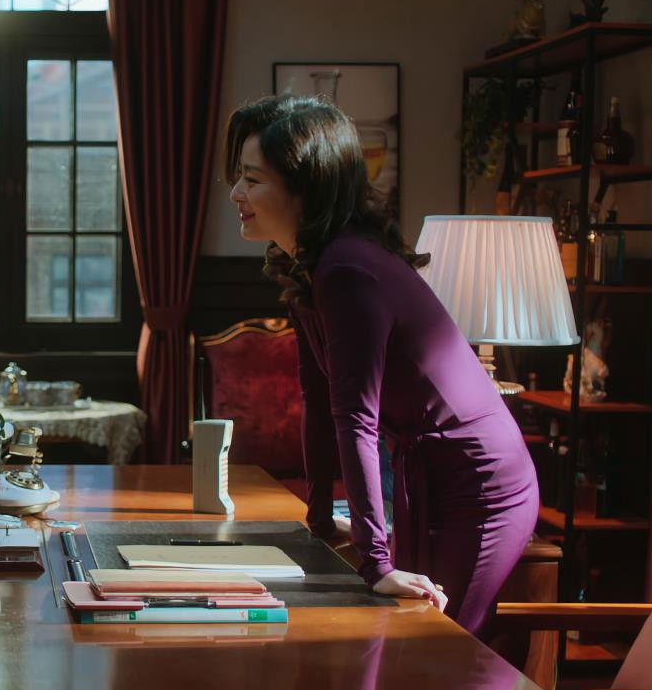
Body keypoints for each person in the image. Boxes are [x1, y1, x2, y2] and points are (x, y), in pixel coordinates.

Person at [225, 95, 539, 637]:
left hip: (481, 486)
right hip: (432, 477)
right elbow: (318, 399)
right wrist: (318, 520)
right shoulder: (311, 266)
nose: (236, 193)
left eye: (252, 180)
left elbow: (355, 418)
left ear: (306, 187)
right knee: (409, 650)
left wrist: (375, 561)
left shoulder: (347, 269)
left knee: (439, 649)